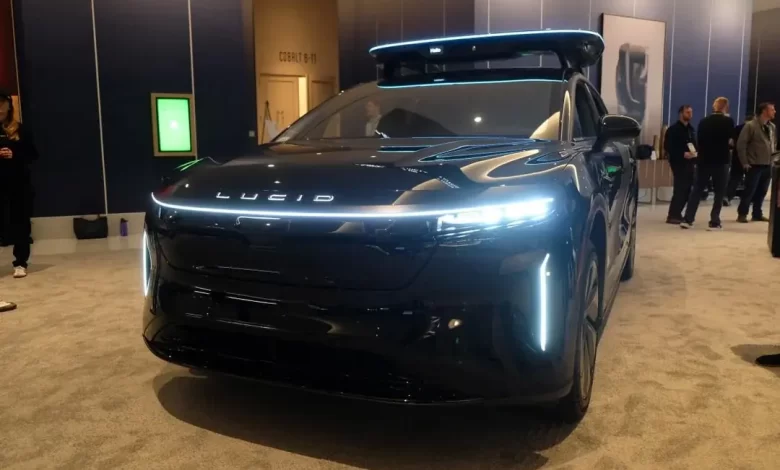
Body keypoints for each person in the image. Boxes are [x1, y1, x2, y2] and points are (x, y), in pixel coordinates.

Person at [681, 97, 734, 231]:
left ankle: (688, 219)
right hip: (721, 160)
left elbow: (699, 140)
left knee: (697, 190)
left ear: (714, 106)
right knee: (719, 192)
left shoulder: (703, 121)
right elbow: (731, 141)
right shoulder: (728, 121)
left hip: (704, 160)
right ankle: (714, 221)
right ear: (726, 107)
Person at [0, 92, 37, 278]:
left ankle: (21, 262)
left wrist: (14, 155)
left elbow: (33, 155)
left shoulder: (20, 130)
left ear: (9, 106)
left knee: (20, 222)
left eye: (2, 104)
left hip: (18, 184)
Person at [736, 102, 777, 223]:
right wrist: (744, 162)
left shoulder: (772, 127)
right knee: (750, 190)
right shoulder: (750, 126)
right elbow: (741, 144)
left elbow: (773, 144)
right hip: (754, 164)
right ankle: (742, 213)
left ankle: (757, 213)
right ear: (764, 111)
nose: (774, 112)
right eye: (772, 110)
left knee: (762, 191)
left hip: (768, 164)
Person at [664, 105, 697, 224]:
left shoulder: (691, 129)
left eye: (691, 112)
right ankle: (673, 214)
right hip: (678, 162)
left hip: (690, 162)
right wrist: (682, 154)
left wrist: (695, 153)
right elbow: (668, 147)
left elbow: (694, 144)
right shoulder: (673, 130)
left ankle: (677, 213)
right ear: (681, 113)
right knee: (680, 188)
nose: (690, 114)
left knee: (688, 189)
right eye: (687, 112)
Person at [725, 114, 754, 205]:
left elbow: (731, 142)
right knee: (751, 180)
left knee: (734, 178)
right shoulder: (753, 128)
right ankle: (748, 199)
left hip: (737, 157)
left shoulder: (737, 128)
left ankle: (727, 197)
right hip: (750, 158)